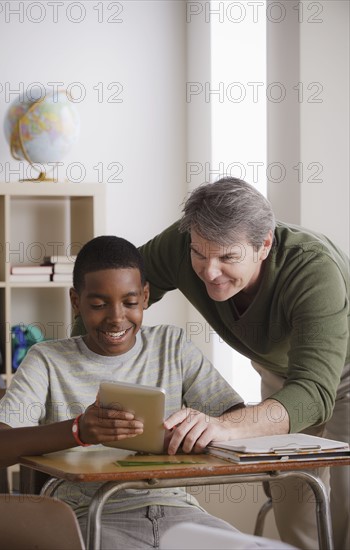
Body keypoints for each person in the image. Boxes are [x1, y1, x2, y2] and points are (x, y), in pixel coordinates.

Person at [73, 177, 349, 550]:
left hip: (336, 373)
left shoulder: (313, 270)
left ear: (264, 244)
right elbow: (107, 290)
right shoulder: (184, 241)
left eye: (227, 258)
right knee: (296, 502)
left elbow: (315, 393)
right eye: (200, 254)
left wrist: (224, 426)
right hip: (284, 371)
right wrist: (77, 368)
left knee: (345, 503)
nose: (209, 272)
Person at [0, 235, 290, 550]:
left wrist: (205, 427)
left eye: (130, 302)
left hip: (177, 511)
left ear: (145, 297)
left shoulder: (172, 346)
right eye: (99, 304)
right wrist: (78, 431)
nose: (116, 317)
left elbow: (236, 424)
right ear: (76, 301)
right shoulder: (47, 360)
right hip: (90, 516)